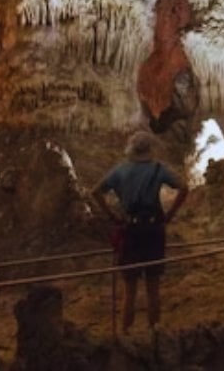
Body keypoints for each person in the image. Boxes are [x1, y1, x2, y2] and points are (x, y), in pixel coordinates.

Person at [93, 129, 188, 332]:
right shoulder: (158, 169)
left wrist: (111, 216)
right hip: (153, 230)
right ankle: (154, 334)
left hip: (130, 230)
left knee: (129, 289)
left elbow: (95, 191)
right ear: (149, 149)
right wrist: (170, 215)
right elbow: (184, 187)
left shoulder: (120, 170)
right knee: (153, 288)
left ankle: (125, 334)